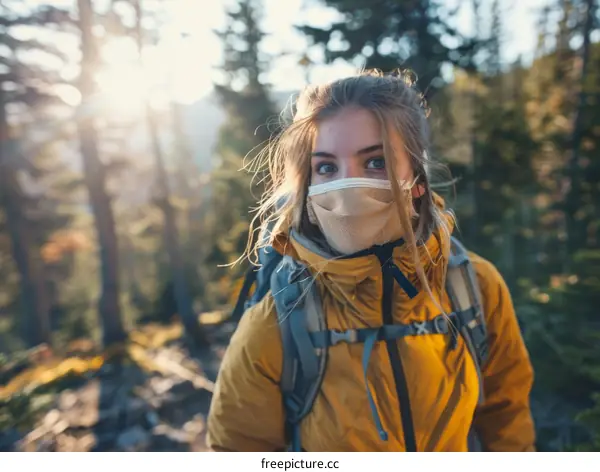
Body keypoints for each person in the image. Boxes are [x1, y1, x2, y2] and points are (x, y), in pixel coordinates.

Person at [206, 69, 536, 452]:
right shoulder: (278, 319)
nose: (348, 187)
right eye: (326, 167)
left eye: (375, 162)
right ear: (307, 187)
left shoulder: (474, 288)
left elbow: (507, 419)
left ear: (418, 180)